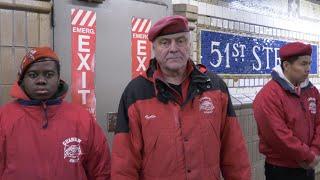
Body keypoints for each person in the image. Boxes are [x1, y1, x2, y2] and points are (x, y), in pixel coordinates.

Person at [111, 15, 251, 180]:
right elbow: (124, 164)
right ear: (154, 49)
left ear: (189, 45)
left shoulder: (215, 87)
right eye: (165, 42)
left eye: (180, 41)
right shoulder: (135, 93)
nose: (173, 48)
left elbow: (234, 153)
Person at [0, 47, 111, 179]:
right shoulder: (4, 118)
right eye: (33, 75)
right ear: (22, 81)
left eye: (49, 74)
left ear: (59, 79)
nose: (41, 80)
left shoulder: (82, 119)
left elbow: (101, 170)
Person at [253, 42, 320, 180]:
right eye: (303, 64)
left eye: (309, 63)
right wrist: (307, 155)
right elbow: (278, 135)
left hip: (308, 167)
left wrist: (315, 150)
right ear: (286, 65)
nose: (308, 69)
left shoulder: (312, 92)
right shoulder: (268, 95)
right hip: (282, 170)